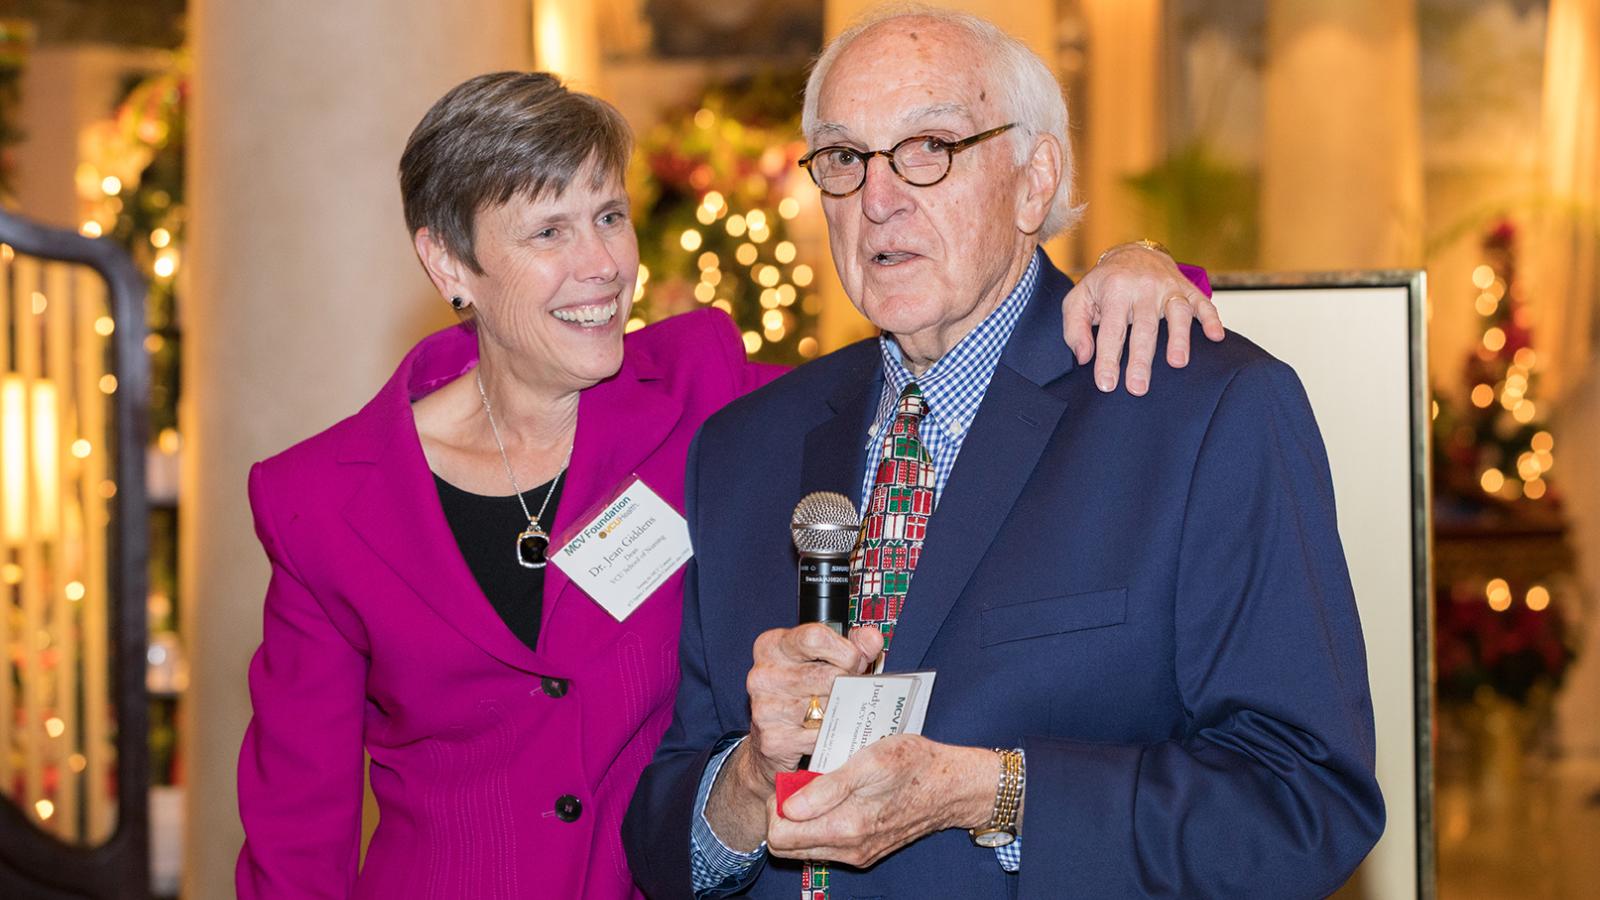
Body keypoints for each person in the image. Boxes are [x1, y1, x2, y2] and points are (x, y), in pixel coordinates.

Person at [234, 71, 1218, 898]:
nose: (601, 267)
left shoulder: (699, 391)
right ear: (449, 263)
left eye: (608, 216)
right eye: (547, 234)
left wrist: (1136, 276)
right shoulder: (325, 501)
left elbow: (928, 378)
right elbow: (296, 831)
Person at [623, 9, 1385, 900]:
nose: (878, 199)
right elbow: (665, 845)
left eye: (930, 147)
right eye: (843, 158)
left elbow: (1304, 803)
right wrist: (751, 781)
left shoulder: (1196, 412)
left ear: (1035, 181)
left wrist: (994, 794)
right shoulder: (746, 447)